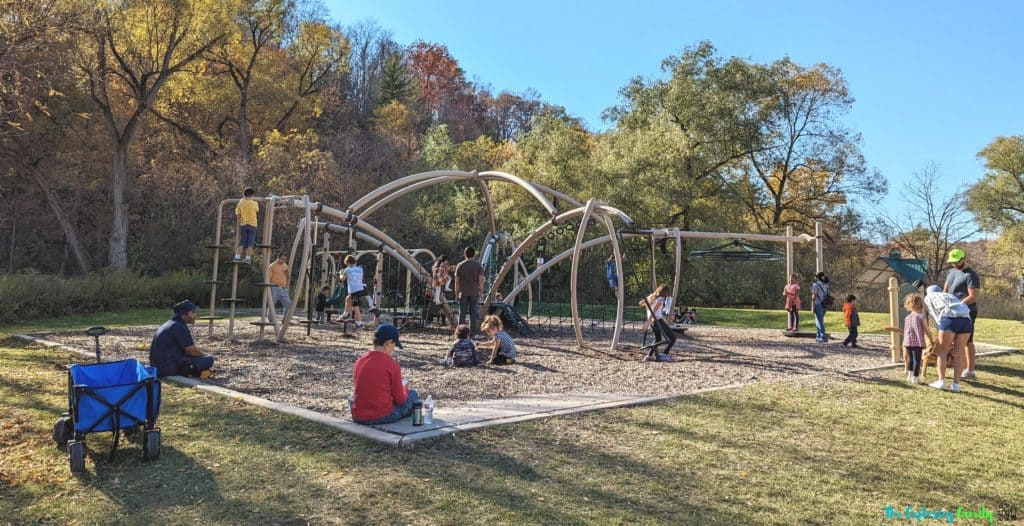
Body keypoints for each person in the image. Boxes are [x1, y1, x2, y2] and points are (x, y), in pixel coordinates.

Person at [350, 324, 419, 425]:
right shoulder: (392, 365)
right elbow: (400, 400)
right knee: (413, 394)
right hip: (382, 416)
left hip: (358, 415)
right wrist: (405, 390)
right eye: (394, 344)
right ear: (388, 343)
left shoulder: (360, 360)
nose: (394, 348)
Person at [923, 285, 972, 393]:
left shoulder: (928, 298)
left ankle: (940, 381)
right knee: (959, 353)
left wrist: (940, 329)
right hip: (966, 320)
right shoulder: (949, 295)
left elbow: (933, 314)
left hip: (949, 319)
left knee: (941, 352)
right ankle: (956, 385)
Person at [149, 300, 215, 378]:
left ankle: (192, 371)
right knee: (209, 359)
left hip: (158, 366)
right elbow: (191, 350)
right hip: (168, 368)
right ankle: (191, 372)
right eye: (192, 313)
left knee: (198, 358)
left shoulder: (170, 323)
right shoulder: (179, 327)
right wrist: (203, 357)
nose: (195, 315)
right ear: (183, 315)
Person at [943, 248, 981, 380]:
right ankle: (957, 366)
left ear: (963, 259)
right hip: (951, 311)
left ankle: (970, 370)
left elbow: (973, 296)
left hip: (967, 312)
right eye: (952, 262)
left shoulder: (971, 275)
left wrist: (959, 305)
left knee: (967, 341)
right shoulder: (951, 272)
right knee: (952, 340)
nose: (954, 264)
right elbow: (946, 290)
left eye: (956, 261)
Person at [902, 293, 932, 384]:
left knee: (911, 359)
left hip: (908, 342)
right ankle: (915, 378)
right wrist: (931, 339)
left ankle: (910, 375)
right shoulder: (921, 317)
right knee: (917, 360)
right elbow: (926, 329)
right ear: (920, 305)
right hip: (917, 342)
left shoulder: (908, 317)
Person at [340, 254, 377, 328]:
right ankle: (346, 314)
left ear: (347, 263)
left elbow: (342, 279)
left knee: (355, 307)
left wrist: (341, 273)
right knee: (348, 299)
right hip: (361, 288)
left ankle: (359, 323)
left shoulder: (347, 270)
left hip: (354, 291)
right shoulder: (360, 269)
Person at [454, 247, 484, 337]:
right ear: (474, 254)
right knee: (473, 314)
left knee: (462, 313)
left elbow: (457, 281)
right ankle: (472, 334)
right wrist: (481, 291)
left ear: (465, 254)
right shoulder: (478, 265)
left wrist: (456, 293)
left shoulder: (460, 265)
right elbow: (481, 280)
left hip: (463, 292)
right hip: (474, 292)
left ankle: (460, 334)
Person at [641, 284, 676, 361]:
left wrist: (649, 302)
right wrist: (647, 322)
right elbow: (654, 311)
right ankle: (664, 354)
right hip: (658, 321)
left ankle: (649, 355)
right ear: (665, 292)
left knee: (658, 339)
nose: (668, 294)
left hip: (653, 322)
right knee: (673, 338)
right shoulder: (660, 299)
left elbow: (641, 303)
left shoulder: (651, 296)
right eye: (668, 292)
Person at [234, 187, 259, 263]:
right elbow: (257, 210)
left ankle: (237, 256)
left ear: (244, 194)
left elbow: (238, 214)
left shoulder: (240, 203)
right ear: (252, 195)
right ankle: (248, 258)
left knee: (242, 242)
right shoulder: (254, 203)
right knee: (250, 243)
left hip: (244, 224)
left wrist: (241, 220)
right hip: (253, 225)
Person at [430, 256, 456, 328]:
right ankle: (447, 288)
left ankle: (436, 299)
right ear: (445, 260)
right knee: (449, 278)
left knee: (438, 290)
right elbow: (450, 268)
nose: (447, 262)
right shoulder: (443, 264)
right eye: (447, 260)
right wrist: (456, 267)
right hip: (440, 278)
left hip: (435, 278)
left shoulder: (437, 264)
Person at [266, 254, 292, 325]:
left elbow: (288, 277)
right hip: (274, 287)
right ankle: (271, 320)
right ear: (278, 258)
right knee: (272, 303)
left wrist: (286, 284)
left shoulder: (285, 266)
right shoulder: (272, 266)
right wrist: (269, 287)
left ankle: (285, 319)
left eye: (285, 259)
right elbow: (268, 278)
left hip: (283, 288)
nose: (283, 261)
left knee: (289, 304)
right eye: (282, 259)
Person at [811, 272, 831, 343]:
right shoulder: (826, 284)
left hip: (818, 304)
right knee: (819, 320)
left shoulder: (815, 285)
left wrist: (812, 306)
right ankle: (818, 336)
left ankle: (823, 337)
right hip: (825, 304)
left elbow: (814, 297)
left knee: (819, 321)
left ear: (817, 277)